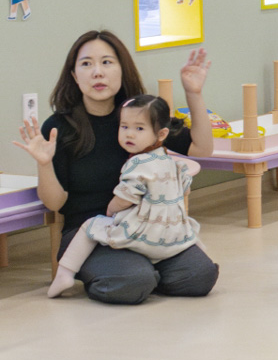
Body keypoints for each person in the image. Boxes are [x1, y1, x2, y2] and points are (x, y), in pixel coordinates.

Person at [12, 31, 219, 305]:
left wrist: (194, 93)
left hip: (149, 228)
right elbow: (55, 203)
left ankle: (144, 269)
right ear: (74, 75)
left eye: (107, 62)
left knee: (200, 276)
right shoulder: (59, 126)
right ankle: (137, 272)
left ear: (122, 69)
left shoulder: (140, 115)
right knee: (132, 281)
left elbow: (201, 148)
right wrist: (44, 163)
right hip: (91, 234)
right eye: (86, 64)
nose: (97, 72)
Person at [46, 95, 205, 300]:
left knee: (90, 227)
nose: (129, 134)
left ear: (161, 134)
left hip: (140, 230)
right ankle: (149, 273)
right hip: (170, 230)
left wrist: (111, 209)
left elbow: (125, 197)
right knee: (146, 274)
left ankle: (65, 273)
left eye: (139, 129)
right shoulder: (171, 162)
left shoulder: (137, 163)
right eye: (124, 127)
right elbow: (185, 189)